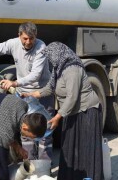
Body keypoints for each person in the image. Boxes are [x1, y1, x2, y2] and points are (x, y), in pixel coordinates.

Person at [0, 22, 54, 161]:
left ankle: (44, 167)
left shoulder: (41, 47)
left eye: (32, 38)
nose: (29, 42)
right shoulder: (14, 44)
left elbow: (35, 75)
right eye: (25, 38)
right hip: (24, 95)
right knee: (26, 131)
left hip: (42, 94)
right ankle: (30, 166)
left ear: (36, 36)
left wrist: (14, 83)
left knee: (45, 132)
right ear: (19, 36)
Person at [22, 42, 103, 180]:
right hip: (72, 112)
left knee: (86, 148)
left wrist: (58, 116)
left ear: (57, 54)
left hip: (87, 112)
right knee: (71, 147)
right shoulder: (58, 68)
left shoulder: (72, 69)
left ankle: (89, 176)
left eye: (50, 57)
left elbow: (72, 97)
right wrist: (32, 95)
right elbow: (49, 88)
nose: (49, 60)